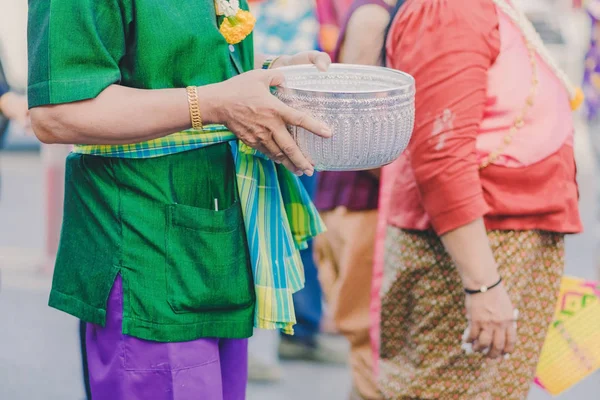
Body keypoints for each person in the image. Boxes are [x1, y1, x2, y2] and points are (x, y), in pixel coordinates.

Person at [27, 1, 333, 399]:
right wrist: (212, 103)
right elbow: (56, 113)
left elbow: (185, 57)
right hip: (142, 249)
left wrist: (271, 74)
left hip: (214, 242)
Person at [375, 0, 583, 399]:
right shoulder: (450, 9)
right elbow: (441, 153)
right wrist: (483, 287)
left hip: (502, 241)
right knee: (445, 390)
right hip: (474, 249)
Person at [246, 0, 345, 382]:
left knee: (300, 234)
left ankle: (300, 329)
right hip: (261, 127)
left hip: (306, 130)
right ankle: (263, 336)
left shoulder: (316, 7)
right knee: (262, 231)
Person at [313, 0, 394, 399]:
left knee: (375, 349)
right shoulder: (374, 16)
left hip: (361, 198)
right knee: (370, 340)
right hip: (360, 198)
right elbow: (357, 125)